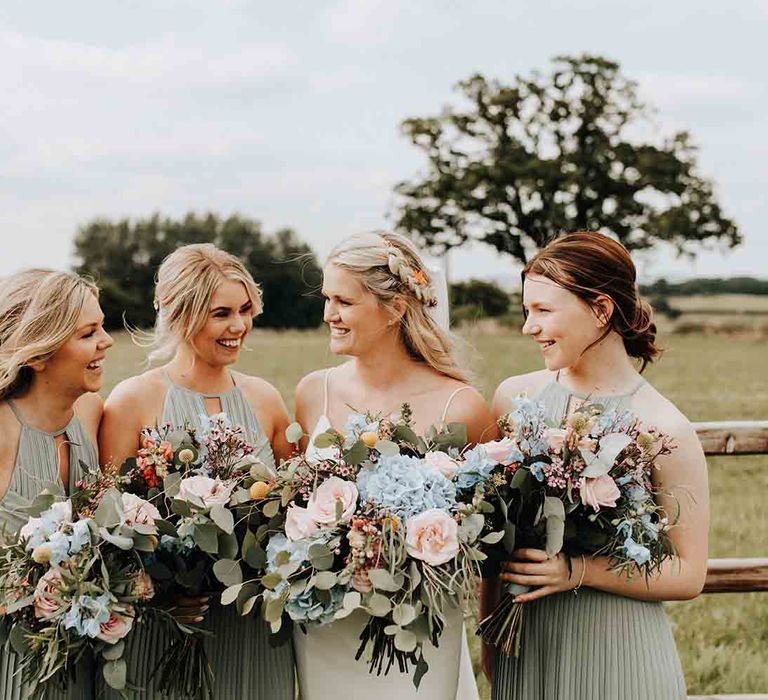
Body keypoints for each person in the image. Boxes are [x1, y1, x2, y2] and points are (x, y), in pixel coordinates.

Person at [484, 231, 709, 699]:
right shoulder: (515, 398)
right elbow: (497, 533)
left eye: (544, 311)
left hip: (618, 648)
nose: (529, 326)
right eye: (527, 310)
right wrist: (490, 634)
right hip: (526, 644)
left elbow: (689, 573)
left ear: (601, 311)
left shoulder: (664, 426)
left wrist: (577, 571)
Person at [293, 231, 497, 700]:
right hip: (326, 628)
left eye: (343, 301)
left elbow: (491, 541)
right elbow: (295, 512)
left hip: (418, 634)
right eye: (327, 299)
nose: (328, 314)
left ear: (395, 309)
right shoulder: (313, 393)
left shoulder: (461, 407)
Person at [99, 243, 294, 698]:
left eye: (245, 310)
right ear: (180, 314)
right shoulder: (132, 400)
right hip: (163, 624)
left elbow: (297, 510)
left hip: (249, 627)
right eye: (221, 313)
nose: (239, 326)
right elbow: (105, 520)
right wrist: (166, 585)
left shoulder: (265, 399)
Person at [0, 269, 113, 699]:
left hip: (81, 663)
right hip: (13, 664)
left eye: (102, 326)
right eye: (89, 333)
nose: (106, 341)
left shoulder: (91, 414)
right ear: (37, 355)